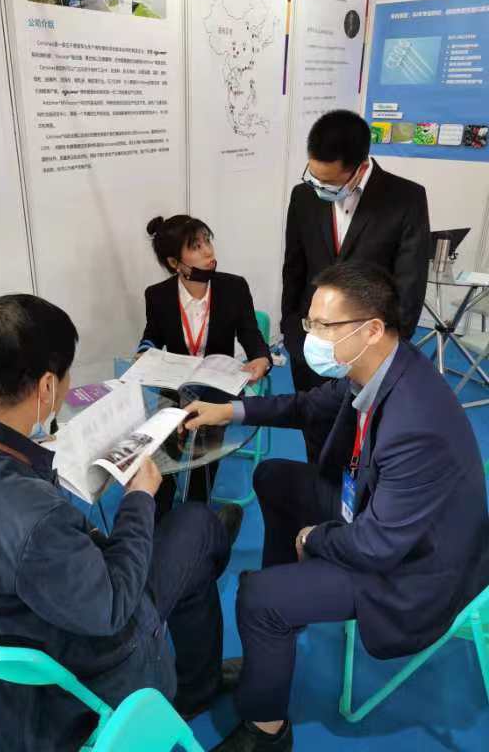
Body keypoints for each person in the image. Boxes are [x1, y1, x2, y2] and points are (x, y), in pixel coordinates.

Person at [0, 294, 244, 752]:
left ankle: (207, 578)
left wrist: (29, 460)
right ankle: (197, 687)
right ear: (46, 387)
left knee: (196, 542)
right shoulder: (36, 520)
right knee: (196, 525)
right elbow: (113, 607)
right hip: (79, 666)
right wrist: (138, 498)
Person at [185, 262, 489, 752]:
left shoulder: (414, 423)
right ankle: (284, 621)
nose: (312, 337)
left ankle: (267, 732)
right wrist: (230, 410)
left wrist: (314, 537)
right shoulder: (376, 366)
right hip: (378, 514)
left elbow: (378, 545)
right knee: (273, 477)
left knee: (259, 597)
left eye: (325, 326)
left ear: (371, 330)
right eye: (311, 322)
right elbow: (305, 406)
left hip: (416, 567)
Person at [281, 110, 430, 461]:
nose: (319, 188)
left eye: (329, 182)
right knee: (316, 432)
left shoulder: (405, 199)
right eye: (314, 177)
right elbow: (294, 269)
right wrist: (292, 333)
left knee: (363, 443)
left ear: (360, 168)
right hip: (313, 345)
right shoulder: (303, 197)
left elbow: (409, 287)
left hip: (368, 351)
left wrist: (384, 355)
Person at [139, 214, 272, 517]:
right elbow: (152, 335)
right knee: (164, 443)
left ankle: (196, 509)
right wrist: (143, 351)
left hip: (218, 385)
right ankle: (158, 510)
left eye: (207, 241)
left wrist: (261, 358)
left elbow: (250, 334)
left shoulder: (234, 287)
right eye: (196, 247)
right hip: (176, 385)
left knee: (203, 446)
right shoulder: (157, 295)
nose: (208, 251)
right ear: (175, 263)